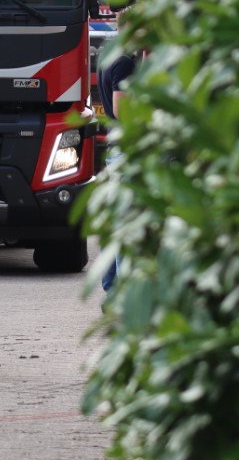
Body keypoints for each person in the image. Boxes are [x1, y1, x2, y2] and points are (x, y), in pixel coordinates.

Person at [96, 42, 140, 295]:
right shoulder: (124, 62)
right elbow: (120, 109)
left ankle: (111, 289)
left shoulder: (109, 54)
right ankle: (122, 294)